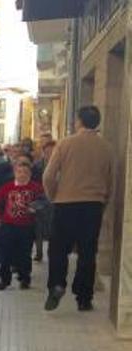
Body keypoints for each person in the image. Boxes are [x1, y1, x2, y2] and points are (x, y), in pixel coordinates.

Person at [43, 106, 114, 312]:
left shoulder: (65, 144)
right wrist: (103, 202)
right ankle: (84, 297)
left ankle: (57, 284)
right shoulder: (106, 148)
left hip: (65, 204)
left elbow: (48, 176)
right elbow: (110, 181)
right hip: (93, 205)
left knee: (58, 249)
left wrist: (54, 195)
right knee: (88, 252)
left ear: (79, 121)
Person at [0, 156, 45, 291]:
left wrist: (36, 207)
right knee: (5, 254)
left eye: (25, 173)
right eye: (19, 172)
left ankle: (25, 278)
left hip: (27, 226)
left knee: (25, 254)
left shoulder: (36, 188)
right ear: (15, 173)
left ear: (30, 174)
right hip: (8, 225)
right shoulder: (7, 187)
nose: (22, 175)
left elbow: (44, 201)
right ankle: (5, 279)